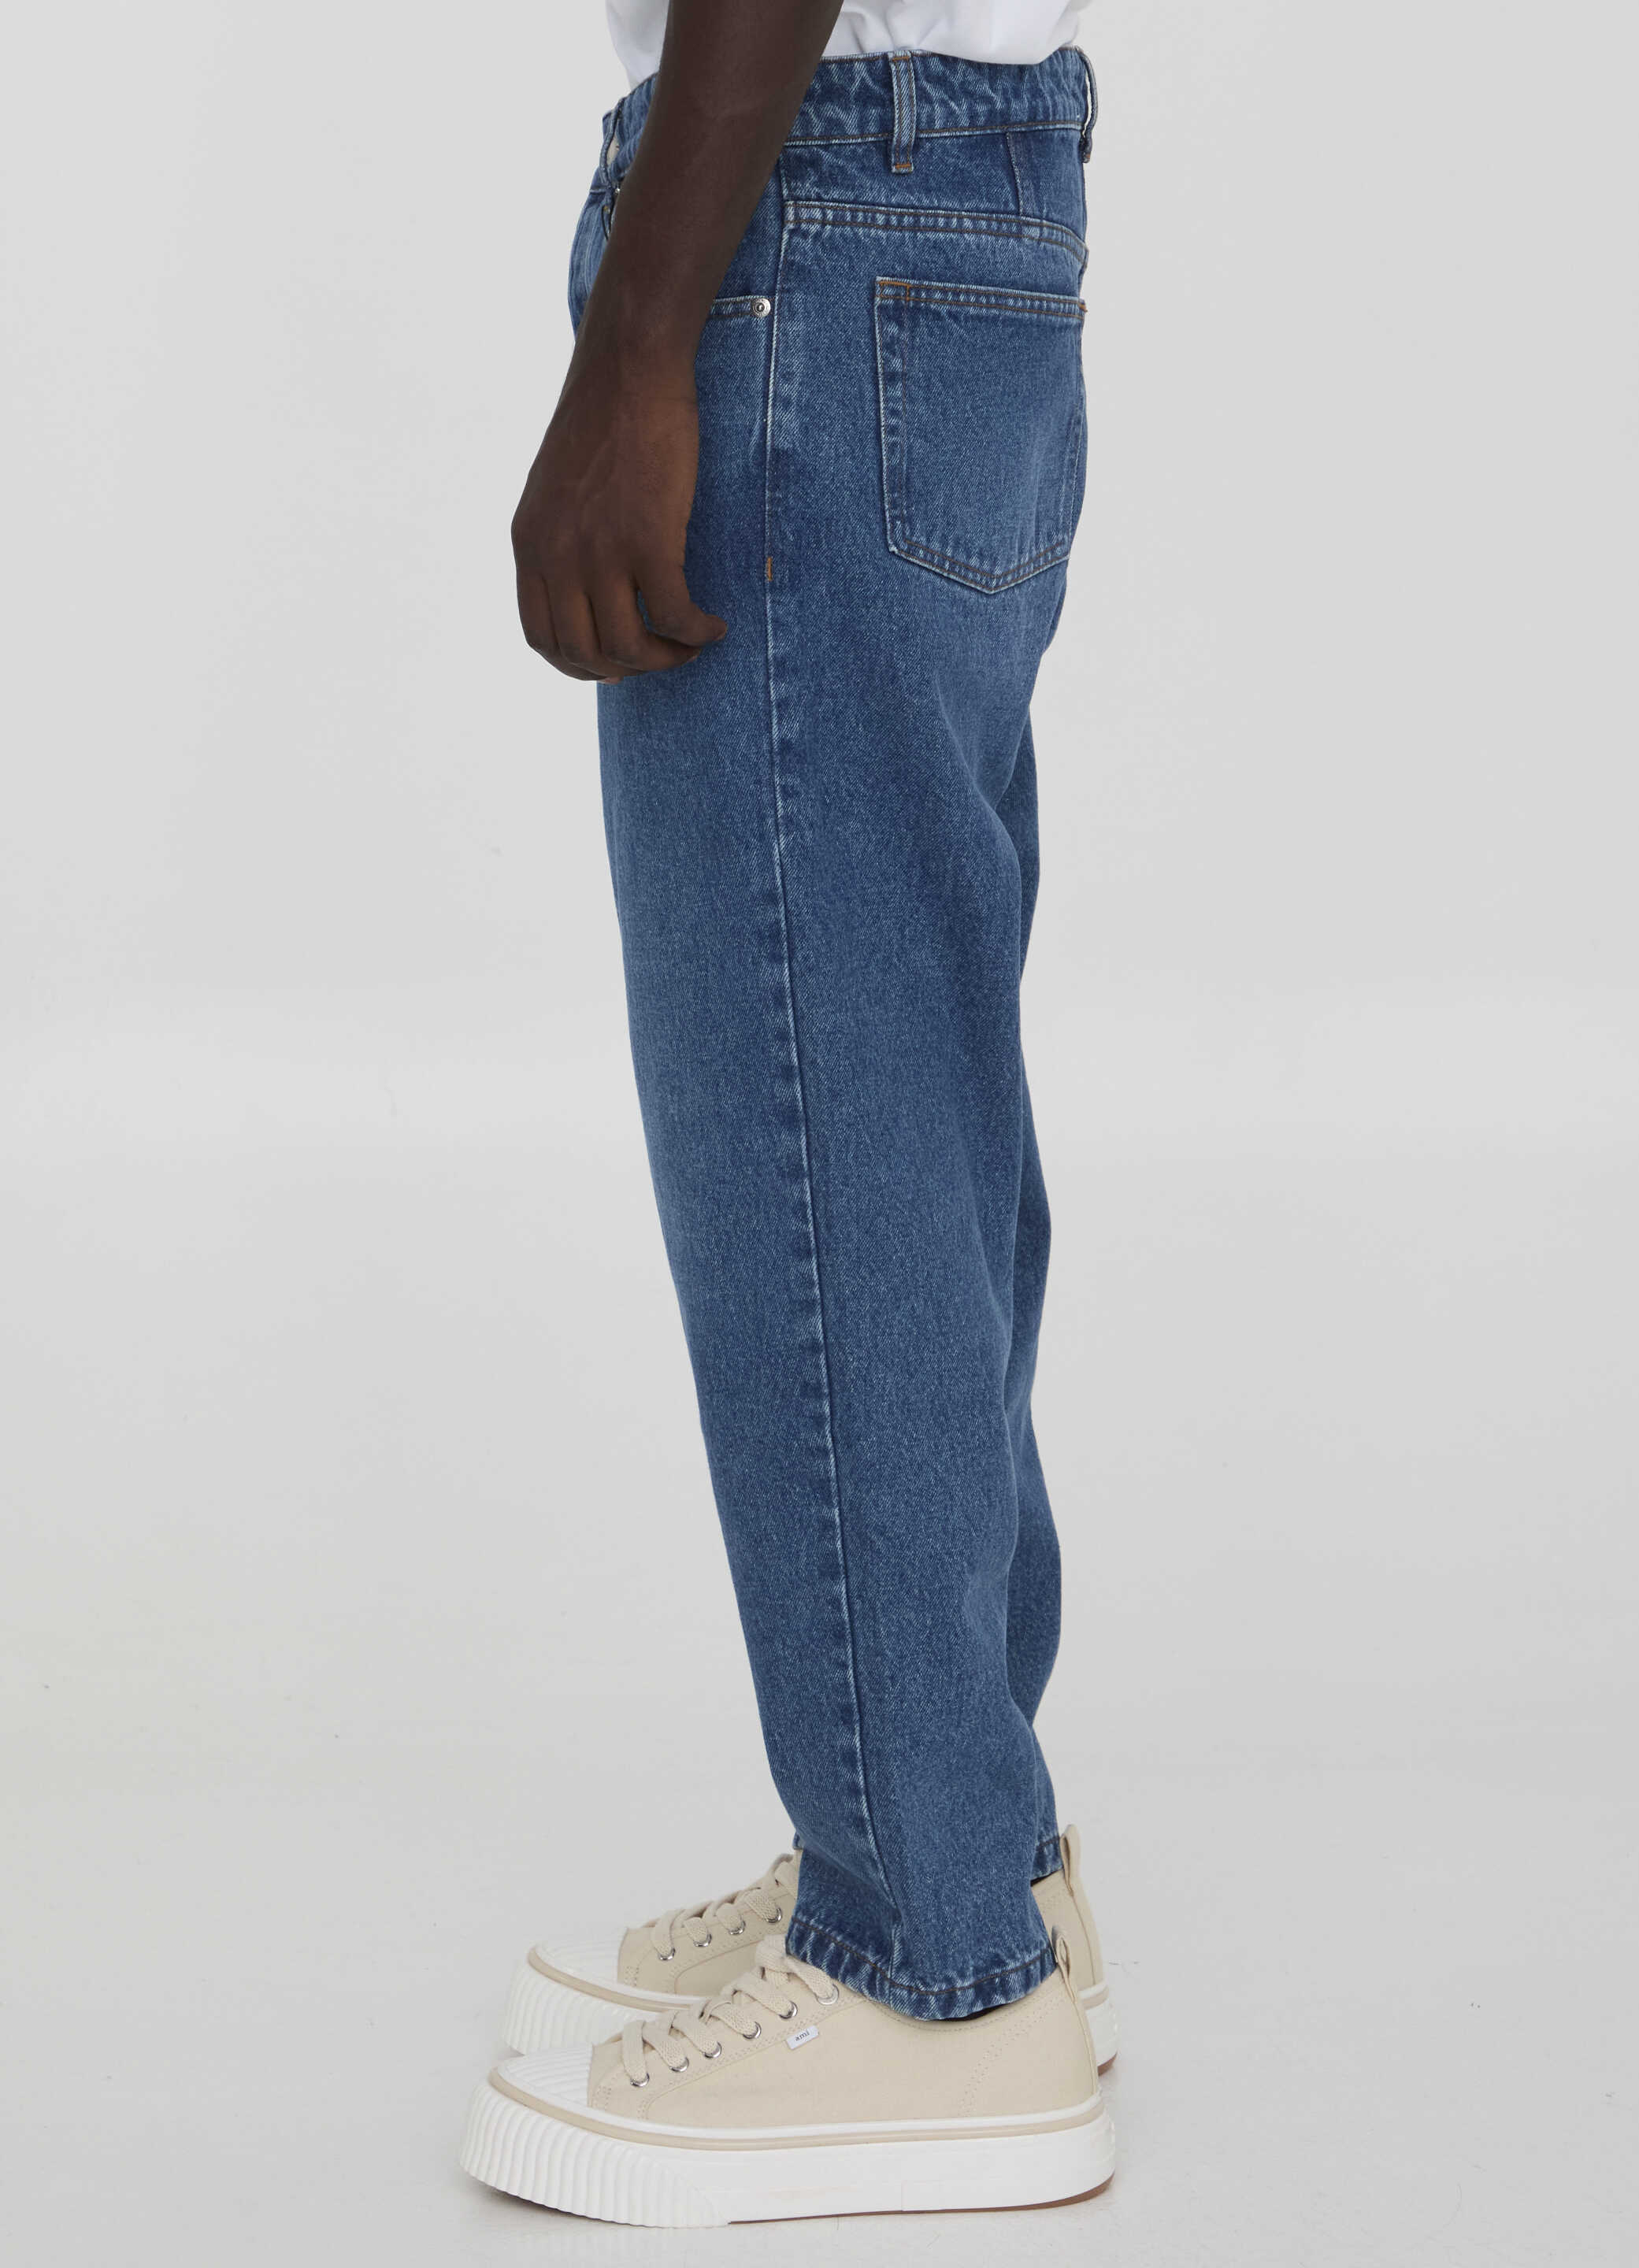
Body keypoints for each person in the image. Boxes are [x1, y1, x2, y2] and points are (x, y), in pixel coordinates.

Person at [460, 0, 1114, 2226]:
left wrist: (641, 338)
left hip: (804, 212)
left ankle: (930, 1973)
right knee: (902, 1081)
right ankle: (972, 1854)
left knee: (815, 1100)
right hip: (934, 199)